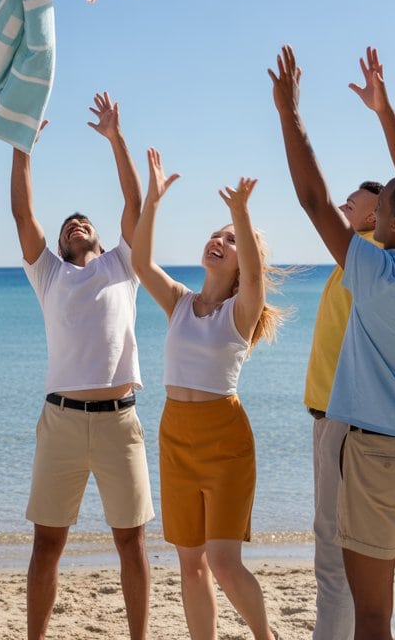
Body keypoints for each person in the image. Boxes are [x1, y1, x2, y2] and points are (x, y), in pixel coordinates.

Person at [269, 45, 395, 640]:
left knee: (372, 615)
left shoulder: (377, 275)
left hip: (376, 457)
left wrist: (289, 112)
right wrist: (385, 112)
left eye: (381, 205)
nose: (375, 209)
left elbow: (313, 200)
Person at [10, 93, 152, 640]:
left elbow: (135, 205)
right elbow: (23, 214)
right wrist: (23, 148)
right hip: (63, 421)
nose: (75, 226)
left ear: (96, 236)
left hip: (120, 420)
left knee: (131, 541)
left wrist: (117, 138)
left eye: (83, 222)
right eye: (68, 224)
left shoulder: (124, 265)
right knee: (48, 543)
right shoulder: (48, 275)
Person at [131, 149, 284, 640]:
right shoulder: (178, 301)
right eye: (216, 235)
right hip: (175, 436)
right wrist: (152, 200)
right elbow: (140, 261)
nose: (218, 241)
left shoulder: (241, 313)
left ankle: (265, 637)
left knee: (222, 561)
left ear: (243, 263)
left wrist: (242, 212)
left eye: (231, 241)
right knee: (190, 563)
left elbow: (258, 279)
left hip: (225, 440)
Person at [304, 179, 388, 640]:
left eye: (351, 206)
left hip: (343, 420)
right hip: (337, 417)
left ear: (375, 217)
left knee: (334, 557)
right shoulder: (359, 253)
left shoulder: (368, 252)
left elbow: (315, 205)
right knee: (365, 558)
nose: (342, 208)